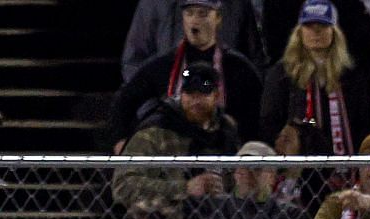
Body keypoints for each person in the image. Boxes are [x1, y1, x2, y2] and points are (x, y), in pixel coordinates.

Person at [110, 0, 263, 146]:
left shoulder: (239, 68)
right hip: (173, 152)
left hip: (226, 154)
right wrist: (120, 140)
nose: (194, 21)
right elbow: (125, 100)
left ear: (218, 18)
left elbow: (257, 114)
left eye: (202, 14)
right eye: (189, 13)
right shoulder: (164, 65)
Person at [113, 61, 242, 213]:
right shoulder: (156, 130)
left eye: (203, 93)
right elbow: (122, 185)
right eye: (190, 93)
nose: (195, 100)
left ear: (216, 96)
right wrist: (184, 188)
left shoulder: (226, 129)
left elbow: (238, 178)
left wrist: (224, 185)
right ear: (181, 94)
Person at [262, 1, 370, 158]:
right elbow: (270, 121)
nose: (316, 32)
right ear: (299, 32)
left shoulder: (351, 75)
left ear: (334, 31)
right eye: (309, 26)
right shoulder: (282, 74)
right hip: (298, 169)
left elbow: (364, 122)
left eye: (322, 26)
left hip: (347, 167)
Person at [122, 0, 263, 82]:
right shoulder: (155, 4)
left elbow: (254, 60)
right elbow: (134, 61)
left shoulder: (237, 4)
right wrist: (153, 107)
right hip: (168, 113)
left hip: (223, 113)